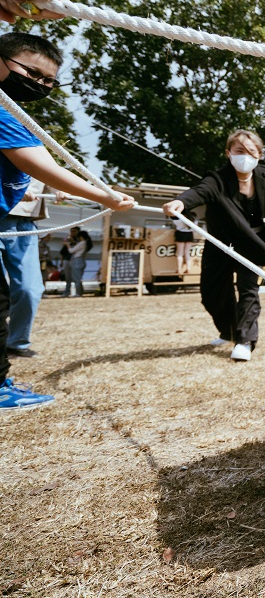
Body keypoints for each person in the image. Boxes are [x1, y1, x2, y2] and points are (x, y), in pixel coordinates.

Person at [0, 30, 134, 411]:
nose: (40, 85)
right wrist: (104, 196)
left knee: (18, 292)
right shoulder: (2, 113)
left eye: (49, 81)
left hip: (11, 219)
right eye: (33, 73)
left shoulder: (13, 114)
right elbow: (46, 166)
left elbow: (38, 166)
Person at [162, 129, 265, 363]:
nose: (245, 156)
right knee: (212, 293)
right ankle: (228, 331)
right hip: (220, 244)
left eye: (251, 151)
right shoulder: (217, 179)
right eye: (239, 151)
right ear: (228, 153)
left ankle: (245, 340)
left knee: (248, 290)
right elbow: (199, 191)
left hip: (253, 244)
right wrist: (180, 202)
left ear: (259, 155)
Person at [0, 178, 48, 356]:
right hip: (2, 211)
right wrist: (13, 188)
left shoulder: (43, 150)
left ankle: (17, 342)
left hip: (25, 223)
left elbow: (49, 171)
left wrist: (61, 188)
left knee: (30, 289)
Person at [61, 226, 90, 297]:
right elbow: (63, 251)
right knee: (72, 277)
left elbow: (71, 251)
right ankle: (75, 292)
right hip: (72, 260)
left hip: (76, 260)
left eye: (74, 231)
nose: (72, 233)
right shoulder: (82, 242)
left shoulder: (81, 242)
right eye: (71, 231)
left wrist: (68, 244)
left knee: (76, 277)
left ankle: (77, 293)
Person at [171, 209, 196, 275]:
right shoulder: (194, 220)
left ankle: (179, 269)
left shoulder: (179, 219)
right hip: (190, 234)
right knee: (187, 252)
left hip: (181, 234)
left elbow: (174, 222)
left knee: (180, 253)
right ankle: (188, 269)